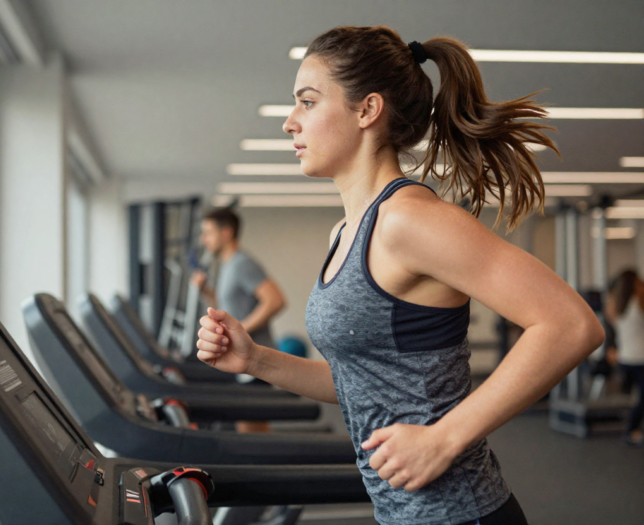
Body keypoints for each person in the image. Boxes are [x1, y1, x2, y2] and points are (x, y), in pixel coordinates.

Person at [195, 26, 604, 525]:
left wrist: (444, 438)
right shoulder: (346, 233)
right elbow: (360, 382)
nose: (289, 123)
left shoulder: (409, 221)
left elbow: (571, 325)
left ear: (367, 110)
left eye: (306, 102)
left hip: (460, 515)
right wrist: (255, 359)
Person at [191, 207, 286, 433]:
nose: (204, 240)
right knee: (252, 432)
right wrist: (206, 290)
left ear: (226, 233)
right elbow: (231, 307)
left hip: (256, 359)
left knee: (252, 435)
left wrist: (239, 330)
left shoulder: (242, 263)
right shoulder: (227, 264)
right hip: (242, 360)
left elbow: (275, 300)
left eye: (208, 233)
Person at [604, 269, 644, 447]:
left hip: (625, 358)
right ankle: (631, 430)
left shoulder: (615, 305)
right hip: (639, 358)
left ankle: (632, 429)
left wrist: (611, 348)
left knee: (638, 397)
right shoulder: (639, 302)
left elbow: (610, 330)